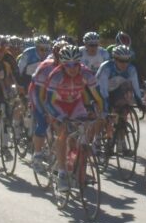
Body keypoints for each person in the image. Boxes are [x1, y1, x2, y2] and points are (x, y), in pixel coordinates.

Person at [44, 45, 104, 191]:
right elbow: (47, 102)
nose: (72, 68)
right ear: (63, 65)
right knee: (63, 132)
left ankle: (76, 168)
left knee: (84, 132)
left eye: (75, 64)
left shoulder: (87, 74)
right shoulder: (56, 75)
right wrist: (58, 117)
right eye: (68, 65)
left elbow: (98, 97)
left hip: (76, 104)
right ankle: (62, 174)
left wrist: (101, 113)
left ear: (79, 63)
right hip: (58, 105)